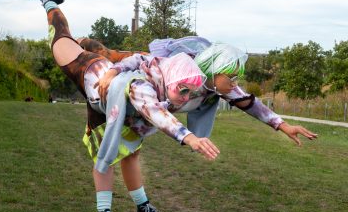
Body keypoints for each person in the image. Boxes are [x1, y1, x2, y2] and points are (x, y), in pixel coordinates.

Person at [29, 0, 219, 212]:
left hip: (119, 84)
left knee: (131, 154)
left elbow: (151, 71)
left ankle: (142, 207)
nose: (187, 97)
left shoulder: (158, 71)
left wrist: (280, 125)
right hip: (99, 85)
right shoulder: (104, 74)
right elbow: (155, 112)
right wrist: (190, 137)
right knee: (61, 41)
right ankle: (48, 2)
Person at [92, 37, 318, 146]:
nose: (234, 83)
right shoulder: (179, 69)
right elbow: (142, 59)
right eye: (230, 77)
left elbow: (250, 103)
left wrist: (284, 126)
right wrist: (114, 71)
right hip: (130, 99)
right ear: (214, 70)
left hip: (143, 121)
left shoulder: (217, 85)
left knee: (131, 153)